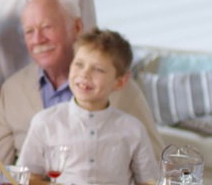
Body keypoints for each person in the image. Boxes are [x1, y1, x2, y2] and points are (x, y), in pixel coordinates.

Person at [0, 0, 164, 167]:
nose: (38, 39)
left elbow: (155, 163)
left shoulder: (118, 87)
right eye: (29, 31)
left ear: (77, 27)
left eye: (47, 27)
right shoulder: (11, 90)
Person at [17, 28, 158, 184]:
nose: (84, 74)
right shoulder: (45, 122)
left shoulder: (133, 129)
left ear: (120, 82)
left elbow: (149, 181)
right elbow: (27, 177)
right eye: (79, 64)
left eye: (98, 69)